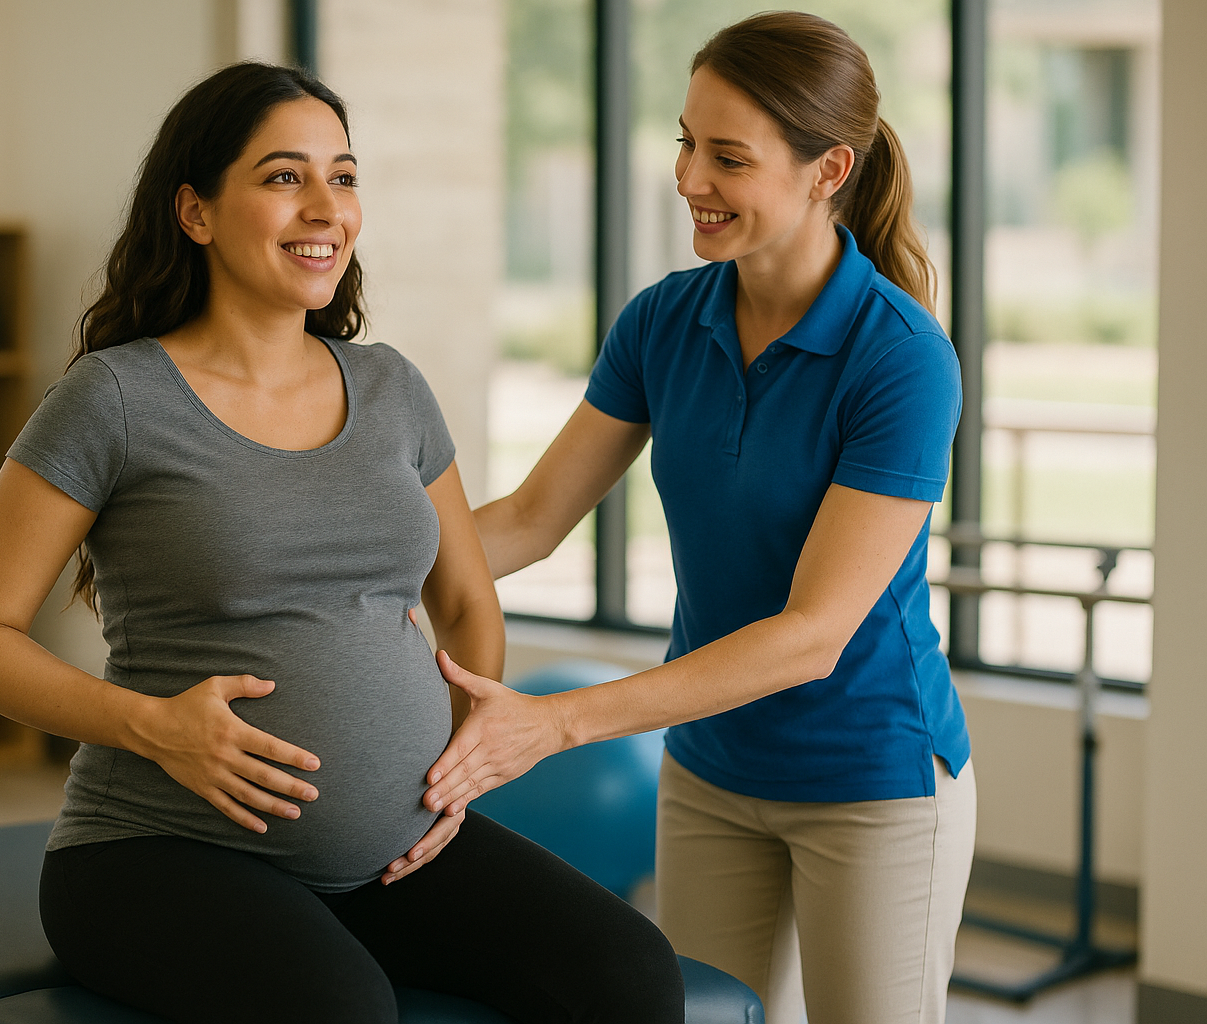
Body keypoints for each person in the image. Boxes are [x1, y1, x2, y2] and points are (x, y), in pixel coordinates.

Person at [0, 62, 683, 1024]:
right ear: (196, 212)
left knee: (629, 973)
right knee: (341, 1012)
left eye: (345, 175)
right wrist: (150, 724)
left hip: (398, 855)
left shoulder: (390, 387)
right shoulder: (114, 400)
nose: (325, 206)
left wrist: (460, 773)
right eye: (285, 177)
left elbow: (461, 600)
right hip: (158, 853)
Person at [410, 13, 976, 1024]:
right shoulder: (665, 321)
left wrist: (556, 723)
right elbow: (534, 518)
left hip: (870, 776)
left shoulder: (899, 357)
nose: (687, 178)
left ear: (826, 168)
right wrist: (359, 569)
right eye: (684, 141)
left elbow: (811, 636)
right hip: (713, 771)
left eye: (727, 157)